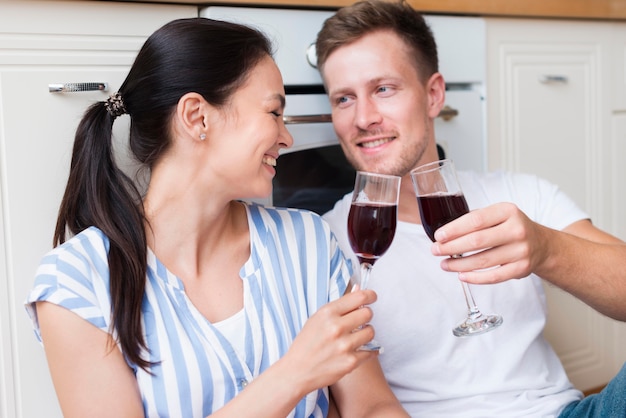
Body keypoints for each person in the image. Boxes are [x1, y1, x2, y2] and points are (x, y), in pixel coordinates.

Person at [24, 17, 410, 418]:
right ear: (197, 117)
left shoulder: (309, 241)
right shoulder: (76, 282)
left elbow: (372, 406)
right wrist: (294, 375)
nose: (286, 137)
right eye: (273, 112)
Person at [315, 1, 626, 416]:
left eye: (383, 89)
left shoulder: (520, 193)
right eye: (344, 99)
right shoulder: (327, 243)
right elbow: (363, 406)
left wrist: (547, 249)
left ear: (433, 95)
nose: (363, 118)